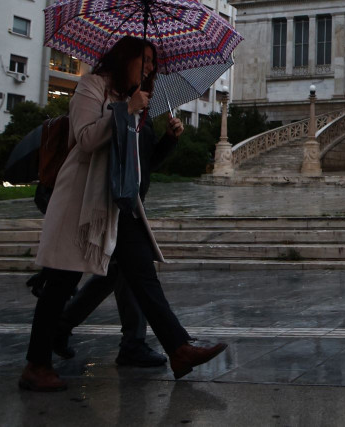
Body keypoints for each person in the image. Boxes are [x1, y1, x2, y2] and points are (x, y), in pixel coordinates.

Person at [19, 37, 226, 392]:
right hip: (81, 200)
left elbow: (139, 164)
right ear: (124, 58)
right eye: (144, 59)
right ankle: (36, 364)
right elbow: (85, 139)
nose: (149, 67)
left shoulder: (138, 103)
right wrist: (126, 109)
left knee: (143, 274)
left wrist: (167, 141)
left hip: (119, 205)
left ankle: (179, 349)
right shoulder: (93, 86)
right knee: (62, 283)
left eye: (152, 62)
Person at [50, 99, 184, 368]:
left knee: (114, 275)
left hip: (131, 203)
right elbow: (96, 149)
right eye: (145, 65)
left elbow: (146, 164)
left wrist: (169, 139)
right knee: (130, 271)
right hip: (108, 204)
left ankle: (61, 327)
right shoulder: (113, 104)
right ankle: (136, 344)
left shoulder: (143, 116)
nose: (150, 76)